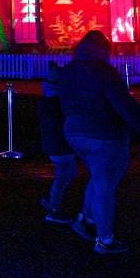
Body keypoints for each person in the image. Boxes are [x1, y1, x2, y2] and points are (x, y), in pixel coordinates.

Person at [58, 30, 140, 254]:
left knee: (97, 178)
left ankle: (86, 219)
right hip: (103, 134)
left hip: (74, 132)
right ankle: (104, 239)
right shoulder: (104, 72)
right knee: (105, 186)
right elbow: (124, 105)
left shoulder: (68, 71)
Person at [38, 60, 77, 224]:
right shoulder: (58, 106)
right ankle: (54, 209)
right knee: (62, 177)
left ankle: (53, 201)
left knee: (68, 174)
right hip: (61, 146)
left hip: (57, 145)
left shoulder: (47, 104)